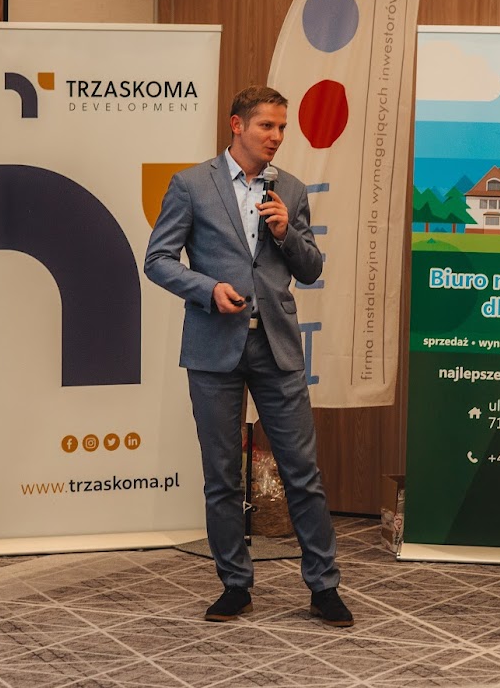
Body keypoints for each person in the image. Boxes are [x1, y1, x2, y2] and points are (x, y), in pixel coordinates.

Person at [144, 85, 353, 627]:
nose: (277, 137)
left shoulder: (292, 189)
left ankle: (324, 587)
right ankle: (235, 584)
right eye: (267, 126)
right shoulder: (191, 185)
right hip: (214, 346)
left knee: (302, 473)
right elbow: (158, 259)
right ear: (237, 125)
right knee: (222, 476)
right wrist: (207, 289)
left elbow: (311, 268)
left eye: (282, 127)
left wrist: (285, 233)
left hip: (276, 347)